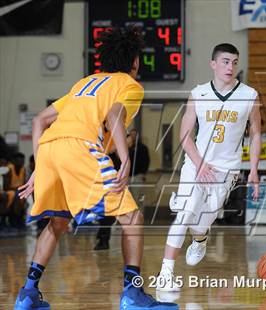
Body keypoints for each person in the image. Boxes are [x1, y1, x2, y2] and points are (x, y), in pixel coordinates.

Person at [14, 26, 178, 310]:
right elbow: (115, 114)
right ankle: (132, 294)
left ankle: (27, 293)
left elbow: (39, 120)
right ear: (134, 62)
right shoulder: (129, 85)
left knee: (57, 222)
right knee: (133, 218)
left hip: (51, 148)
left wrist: (40, 167)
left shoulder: (84, 83)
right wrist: (126, 158)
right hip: (79, 147)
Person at [155, 43, 261, 291]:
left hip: (226, 170)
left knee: (205, 217)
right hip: (196, 164)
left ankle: (200, 237)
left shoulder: (250, 95)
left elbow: (256, 134)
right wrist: (200, 163)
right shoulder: (198, 93)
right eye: (225, 61)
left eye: (234, 62)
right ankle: (166, 273)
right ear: (213, 64)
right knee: (185, 213)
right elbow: (184, 134)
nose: (230, 67)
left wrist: (254, 170)